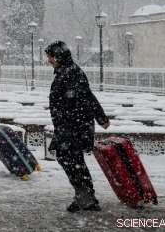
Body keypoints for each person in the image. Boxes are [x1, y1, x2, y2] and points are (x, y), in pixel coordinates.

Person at [45, 40, 110, 212]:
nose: (49, 60)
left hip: (74, 126)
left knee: (70, 160)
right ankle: (85, 196)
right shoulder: (66, 72)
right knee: (72, 160)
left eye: (51, 57)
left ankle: (86, 197)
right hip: (69, 126)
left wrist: (100, 117)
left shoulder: (71, 73)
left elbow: (87, 97)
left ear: (59, 56)